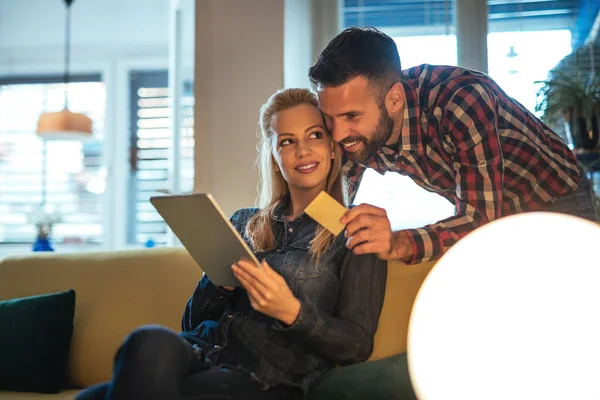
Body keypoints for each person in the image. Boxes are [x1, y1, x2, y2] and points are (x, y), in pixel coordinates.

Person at [306, 27, 598, 400]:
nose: (337, 132)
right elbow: (331, 203)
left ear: (394, 99)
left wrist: (396, 242)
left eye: (350, 116)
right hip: (492, 209)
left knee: (570, 324)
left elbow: (481, 223)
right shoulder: (357, 128)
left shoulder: (461, 101)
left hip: (557, 199)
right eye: (329, 118)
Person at [74, 88, 387, 400]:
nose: (302, 151)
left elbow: (357, 345)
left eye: (314, 135)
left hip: (267, 376)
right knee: (146, 342)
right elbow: (191, 322)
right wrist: (218, 284)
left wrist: (292, 312)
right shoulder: (244, 222)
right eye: (287, 142)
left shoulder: (357, 230)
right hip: (201, 353)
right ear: (276, 158)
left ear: (333, 148)